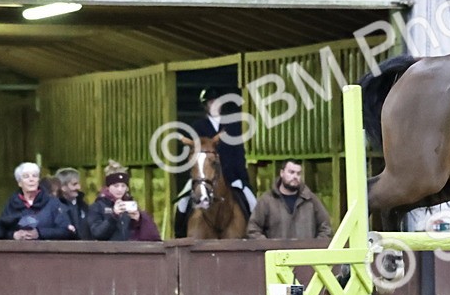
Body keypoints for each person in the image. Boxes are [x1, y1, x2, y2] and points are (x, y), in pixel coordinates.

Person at [177, 87, 256, 235]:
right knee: (182, 203)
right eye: (210, 102)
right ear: (205, 106)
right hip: (203, 177)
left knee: (252, 202)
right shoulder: (197, 127)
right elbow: (194, 156)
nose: (213, 105)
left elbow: (238, 153)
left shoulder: (233, 126)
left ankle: (255, 235)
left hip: (231, 177)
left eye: (216, 102)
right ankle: (179, 234)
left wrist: (241, 178)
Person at [246, 159, 332, 240]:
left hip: (305, 255)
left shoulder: (311, 200)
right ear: (282, 173)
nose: (295, 176)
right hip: (277, 254)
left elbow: (326, 227)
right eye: (291, 172)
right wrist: (269, 247)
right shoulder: (267, 200)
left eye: (298, 173)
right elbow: (253, 229)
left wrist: (315, 247)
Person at [0, 162, 71, 241]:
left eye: (34, 176)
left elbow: (66, 231)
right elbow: (0, 230)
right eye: (26, 176)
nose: (31, 179)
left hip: (46, 251)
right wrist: (14, 235)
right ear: (20, 183)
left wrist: (40, 233)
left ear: (38, 180)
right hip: (18, 251)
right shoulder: (11, 204)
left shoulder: (53, 203)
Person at [88, 162, 161, 242]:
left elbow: (145, 234)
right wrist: (113, 216)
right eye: (116, 186)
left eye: (123, 186)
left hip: (128, 251)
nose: (120, 189)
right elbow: (97, 233)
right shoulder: (97, 206)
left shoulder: (130, 203)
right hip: (108, 252)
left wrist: (138, 220)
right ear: (108, 187)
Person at [55, 167, 91, 239]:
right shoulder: (55, 207)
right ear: (63, 187)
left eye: (78, 183)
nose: (79, 187)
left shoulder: (84, 206)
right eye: (74, 184)